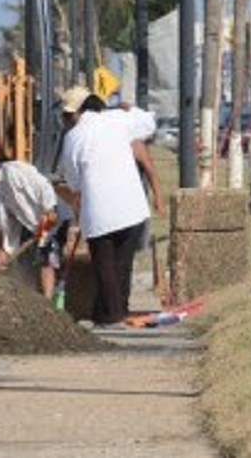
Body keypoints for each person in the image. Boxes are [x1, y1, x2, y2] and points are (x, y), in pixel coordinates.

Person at [58, 86, 157, 328]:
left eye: (68, 115)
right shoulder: (118, 119)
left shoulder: (73, 138)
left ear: (79, 111)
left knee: (105, 266)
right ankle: (111, 312)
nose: (66, 119)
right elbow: (149, 124)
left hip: (99, 212)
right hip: (131, 207)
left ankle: (113, 315)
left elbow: (73, 181)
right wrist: (130, 108)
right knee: (122, 263)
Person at [0, 145, 73, 301]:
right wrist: (4, 252)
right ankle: (27, 301)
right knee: (23, 262)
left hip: (52, 218)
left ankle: (47, 303)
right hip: (30, 223)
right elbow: (3, 225)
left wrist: (50, 209)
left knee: (46, 255)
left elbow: (43, 186)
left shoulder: (12, 171)